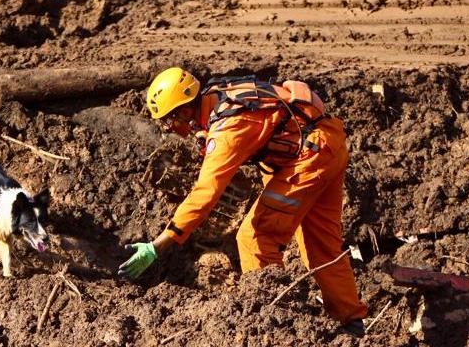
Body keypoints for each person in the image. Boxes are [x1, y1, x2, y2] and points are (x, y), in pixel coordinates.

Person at [118, 67, 368, 335]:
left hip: (310, 157)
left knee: (256, 237)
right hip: (326, 144)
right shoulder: (217, 97)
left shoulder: (228, 129)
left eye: (168, 119)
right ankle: (352, 322)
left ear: (185, 110)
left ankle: (275, 327)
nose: (168, 127)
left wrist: (160, 244)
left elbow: (206, 192)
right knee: (320, 241)